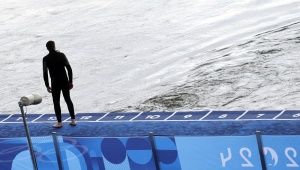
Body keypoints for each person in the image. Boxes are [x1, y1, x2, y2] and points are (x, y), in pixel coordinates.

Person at [43, 40, 76, 127]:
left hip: (55, 82)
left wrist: (47, 85)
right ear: (54, 47)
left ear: (47, 48)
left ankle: (59, 123)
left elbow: (45, 73)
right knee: (68, 99)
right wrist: (70, 81)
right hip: (64, 80)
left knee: (56, 102)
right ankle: (73, 120)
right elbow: (69, 69)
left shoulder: (46, 59)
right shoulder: (62, 55)